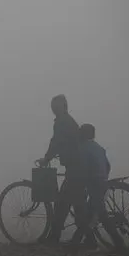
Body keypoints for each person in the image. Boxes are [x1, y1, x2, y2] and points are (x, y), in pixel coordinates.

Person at [36, 95, 93, 245]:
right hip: (77, 167)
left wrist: (46, 158)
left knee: (64, 203)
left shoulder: (62, 122)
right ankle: (85, 239)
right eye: (52, 105)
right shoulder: (67, 120)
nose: (53, 108)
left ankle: (56, 238)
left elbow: (56, 141)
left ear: (64, 106)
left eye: (56, 105)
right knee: (72, 204)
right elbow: (63, 142)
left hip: (76, 168)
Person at [71, 124, 126, 252]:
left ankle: (119, 244)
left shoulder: (83, 148)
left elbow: (83, 169)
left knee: (101, 215)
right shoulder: (99, 148)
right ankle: (84, 242)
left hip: (93, 184)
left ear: (82, 135)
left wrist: (81, 185)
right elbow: (107, 166)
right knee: (93, 213)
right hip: (102, 182)